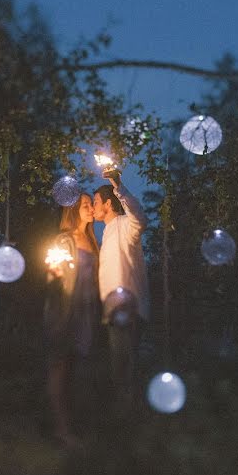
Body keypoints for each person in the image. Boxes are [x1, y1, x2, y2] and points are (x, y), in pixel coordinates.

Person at [43, 193, 100, 447]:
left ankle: (78, 427)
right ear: (75, 210)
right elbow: (51, 277)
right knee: (60, 367)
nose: (90, 208)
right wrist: (53, 275)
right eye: (85, 205)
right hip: (65, 311)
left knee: (78, 370)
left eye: (90, 204)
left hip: (87, 312)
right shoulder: (64, 240)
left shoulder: (92, 241)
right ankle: (61, 429)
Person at [92, 170, 149, 418]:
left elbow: (140, 219)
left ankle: (131, 423)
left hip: (129, 308)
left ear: (107, 203)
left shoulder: (125, 225)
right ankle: (125, 420)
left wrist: (119, 187)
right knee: (119, 370)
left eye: (95, 202)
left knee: (126, 370)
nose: (93, 207)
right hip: (113, 310)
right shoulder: (106, 232)